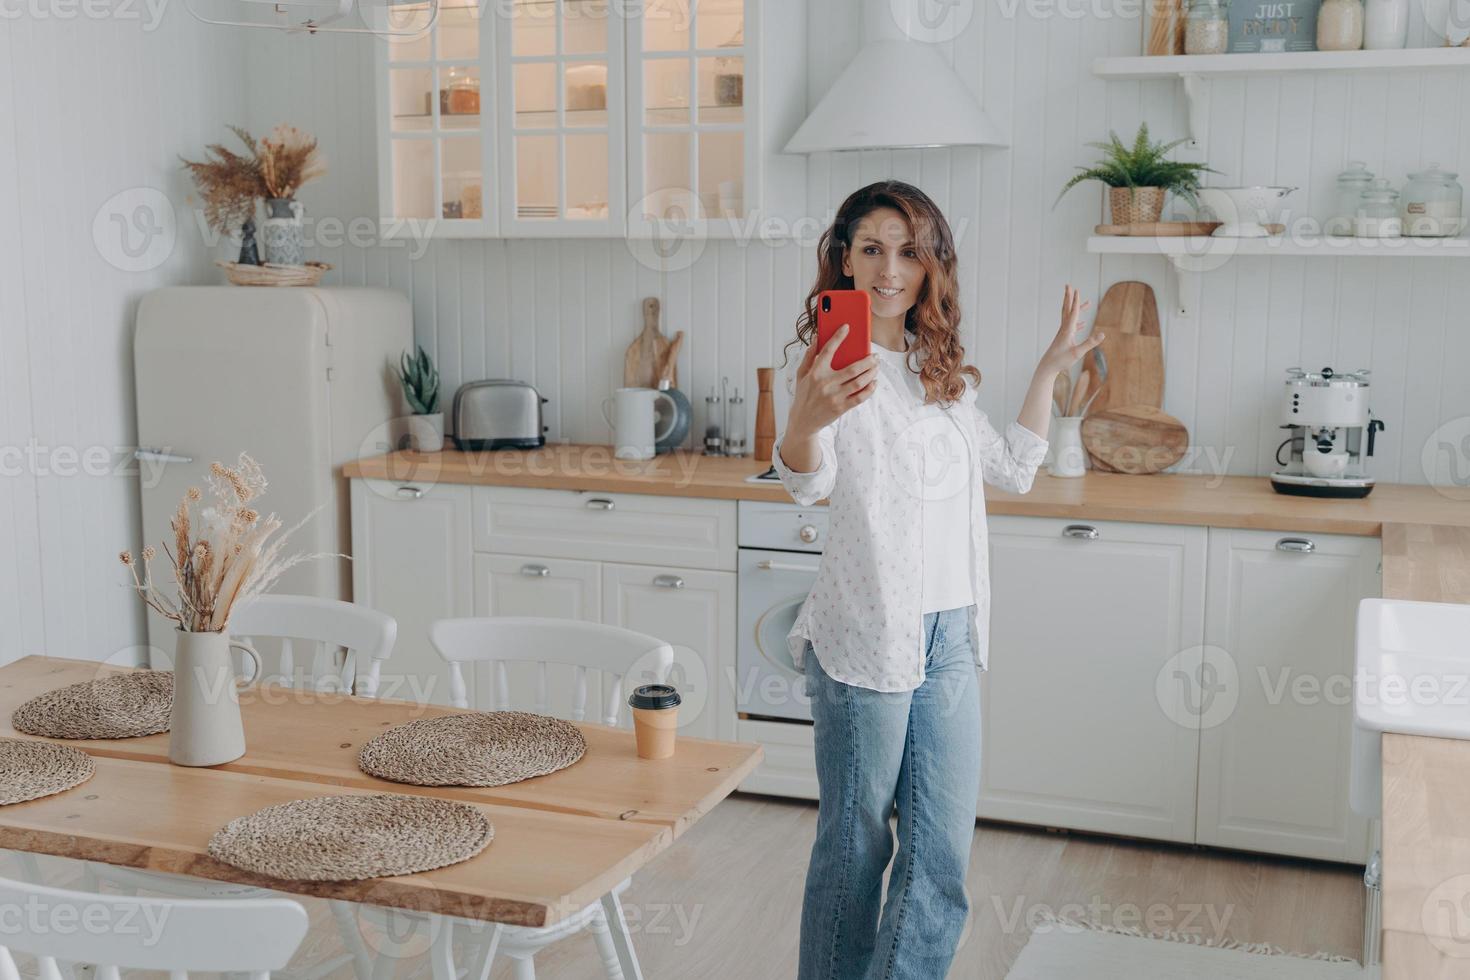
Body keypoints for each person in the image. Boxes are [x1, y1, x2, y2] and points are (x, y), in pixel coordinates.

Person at [772, 180, 1101, 980]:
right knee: (855, 852)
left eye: (908, 250)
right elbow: (807, 484)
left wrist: (1049, 371)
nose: (890, 269)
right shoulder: (832, 367)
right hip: (867, 633)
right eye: (872, 249)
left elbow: (1015, 469)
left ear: (931, 265)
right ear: (843, 260)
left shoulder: (937, 368)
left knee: (940, 858)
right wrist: (804, 422)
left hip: (951, 636)